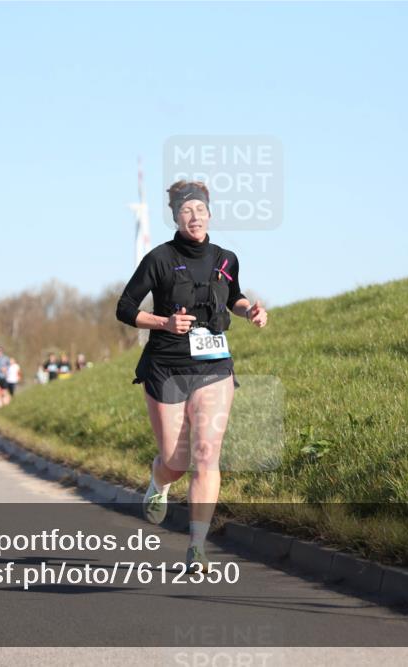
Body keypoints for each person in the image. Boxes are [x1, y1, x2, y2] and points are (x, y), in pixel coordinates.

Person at [116, 180, 267, 571]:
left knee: (205, 455)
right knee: (176, 460)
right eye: (186, 210)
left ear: (210, 214)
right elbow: (125, 307)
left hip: (214, 367)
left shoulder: (225, 258)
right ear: (175, 217)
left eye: (200, 209)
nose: (194, 216)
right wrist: (163, 322)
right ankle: (159, 481)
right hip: (166, 366)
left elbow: (233, 296)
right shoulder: (159, 259)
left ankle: (197, 547)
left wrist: (249, 310)